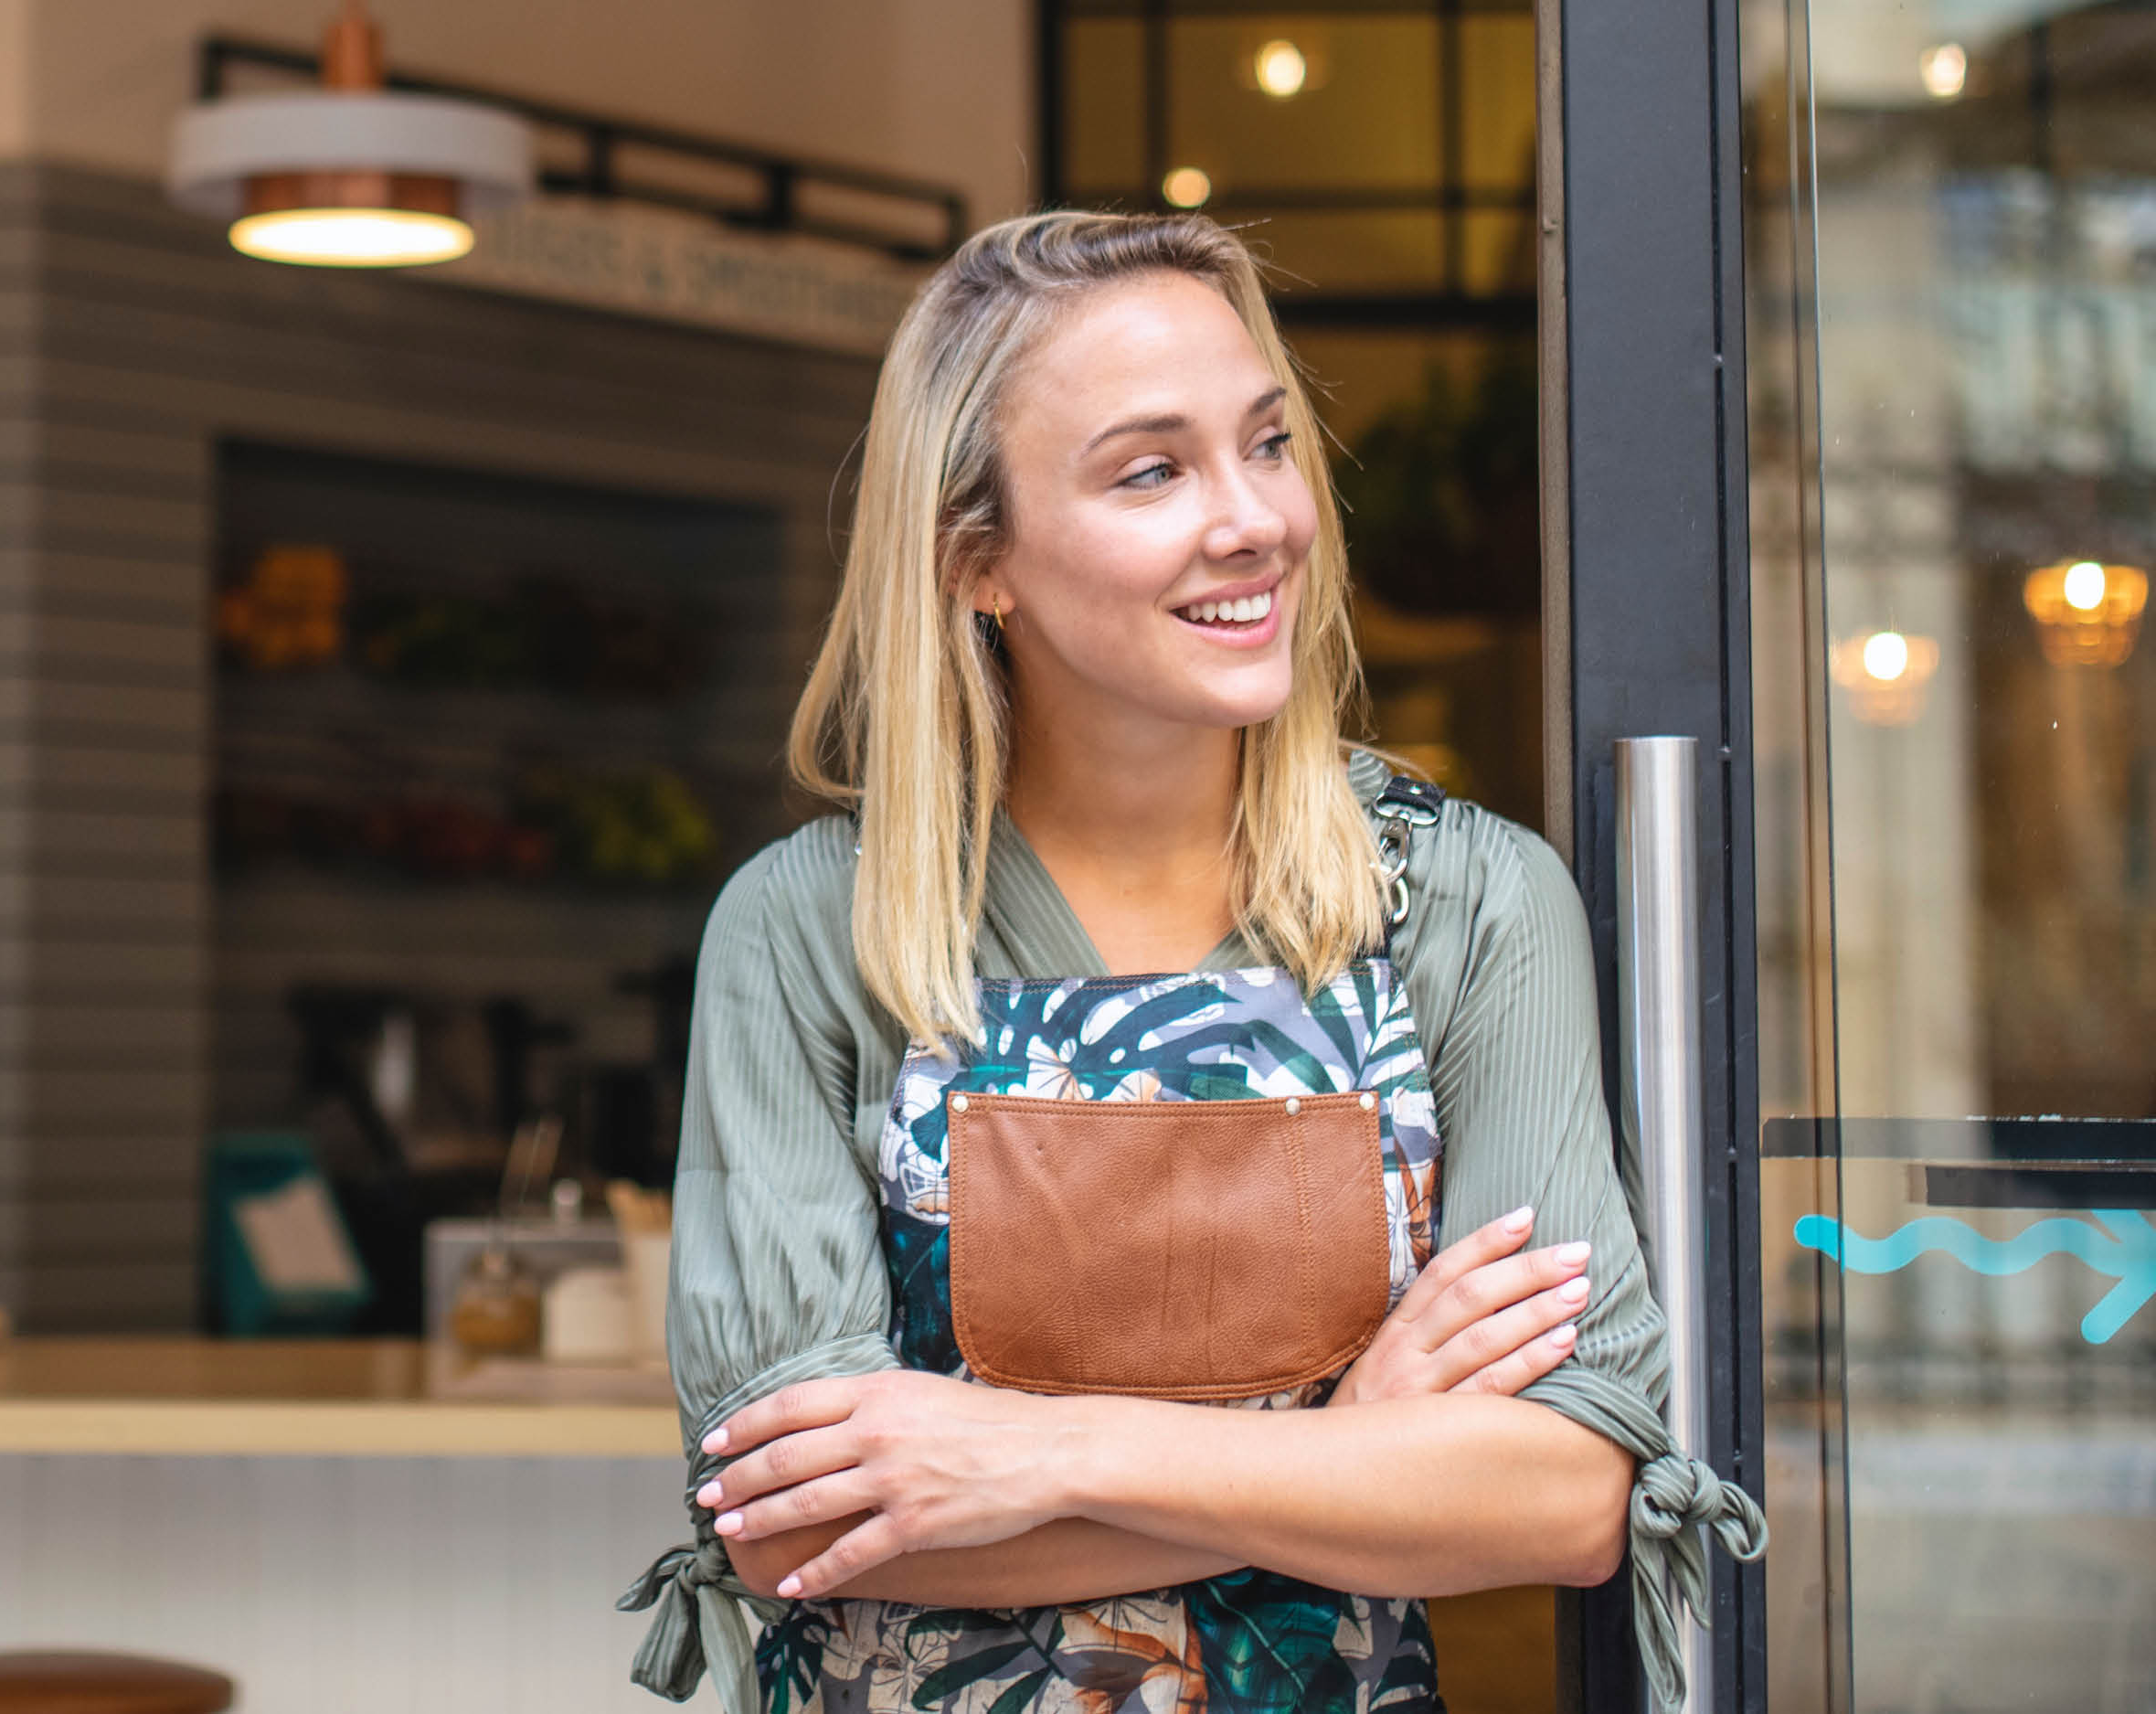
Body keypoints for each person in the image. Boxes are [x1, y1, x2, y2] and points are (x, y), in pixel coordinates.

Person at [615, 211, 1756, 1714]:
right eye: (1152, 469)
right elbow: (798, 1519)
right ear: (979, 561)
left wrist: (1043, 1453)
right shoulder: (812, 927)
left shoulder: (1463, 901)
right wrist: (1355, 1457)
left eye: (1267, 442)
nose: (1256, 519)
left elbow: (1563, 1494)